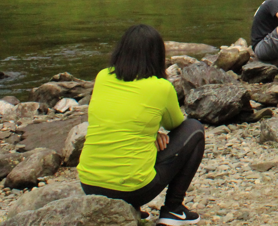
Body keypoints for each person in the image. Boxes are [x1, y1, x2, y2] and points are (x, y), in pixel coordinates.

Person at [78, 25, 204, 225]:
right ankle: (173, 209)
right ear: (157, 56)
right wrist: (154, 132)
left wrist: (150, 133)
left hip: (89, 184)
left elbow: (118, 119)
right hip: (132, 190)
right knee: (194, 129)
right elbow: (176, 125)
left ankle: (133, 211)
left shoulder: (102, 76)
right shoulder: (161, 86)